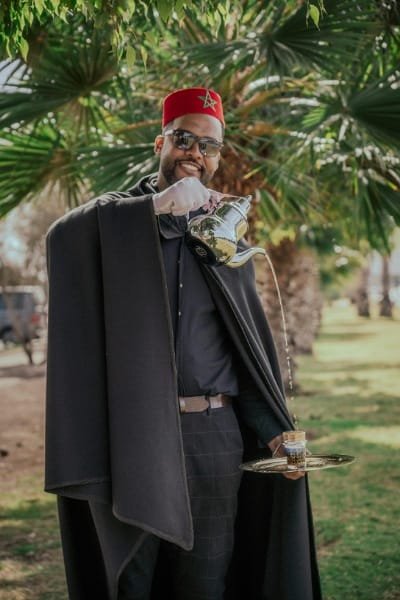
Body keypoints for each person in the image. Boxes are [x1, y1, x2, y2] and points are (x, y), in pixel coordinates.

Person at [45, 87, 321, 600]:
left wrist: (275, 433)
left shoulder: (223, 235)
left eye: (209, 145)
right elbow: (61, 238)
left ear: (218, 156)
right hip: (132, 438)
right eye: (184, 139)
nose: (195, 152)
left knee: (206, 582)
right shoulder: (119, 215)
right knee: (131, 580)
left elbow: (242, 353)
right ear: (160, 143)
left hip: (213, 439)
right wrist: (156, 206)